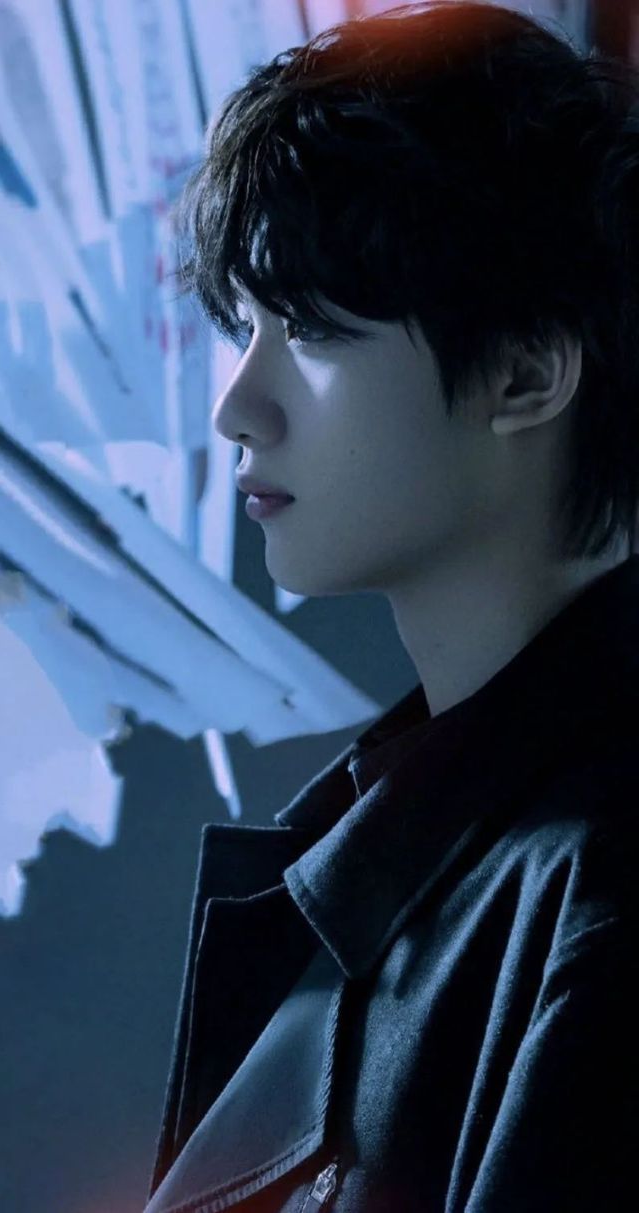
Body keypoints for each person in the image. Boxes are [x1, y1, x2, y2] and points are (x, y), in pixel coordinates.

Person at [144, 3, 639, 1210]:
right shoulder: (415, 832)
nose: (237, 407)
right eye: (243, 325)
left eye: (311, 329)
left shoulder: (600, 888)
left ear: (526, 370)